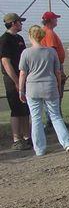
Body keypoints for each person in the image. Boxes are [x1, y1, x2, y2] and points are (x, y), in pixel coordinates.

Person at [18, 25, 69, 156]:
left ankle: (39, 149)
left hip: (32, 88)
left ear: (31, 36)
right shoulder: (51, 52)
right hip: (50, 86)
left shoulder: (26, 53)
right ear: (42, 36)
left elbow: (22, 73)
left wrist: (21, 90)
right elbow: (58, 72)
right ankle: (67, 143)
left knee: (36, 118)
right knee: (55, 116)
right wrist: (59, 87)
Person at [0, 13, 31, 150]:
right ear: (13, 23)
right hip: (12, 78)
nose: (21, 24)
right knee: (16, 109)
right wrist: (16, 81)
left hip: (23, 76)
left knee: (25, 108)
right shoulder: (5, 39)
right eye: (19, 22)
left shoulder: (19, 38)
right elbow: (6, 63)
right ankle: (16, 139)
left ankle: (27, 137)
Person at [40, 11, 66, 98]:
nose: (56, 20)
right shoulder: (49, 32)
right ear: (50, 20)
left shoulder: (43, 31)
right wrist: (58, 70)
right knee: (57, 93)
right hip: (54, 66)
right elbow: (52, 52)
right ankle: (56, 111)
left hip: (49, 66)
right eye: (55, 18)